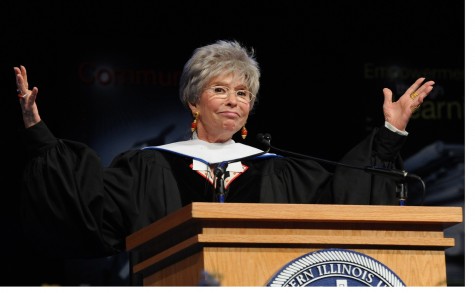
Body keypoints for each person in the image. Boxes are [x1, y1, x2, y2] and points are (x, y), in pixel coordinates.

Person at [14, 39, 434, 271]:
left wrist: (389, 134)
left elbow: (345, 199)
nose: (234, 101)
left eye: (242, 93)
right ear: (193, 103)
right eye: (220, 90)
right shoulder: (150, 165)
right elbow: (86, 208)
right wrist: (39, 134)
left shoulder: (276, 168)